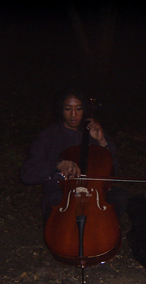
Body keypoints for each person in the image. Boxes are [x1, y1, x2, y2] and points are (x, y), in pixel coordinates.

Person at [20, 88, 126, 223]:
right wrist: (56, 165)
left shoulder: (91, 134)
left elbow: (113, 170)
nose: (73, 114)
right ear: (61, 110)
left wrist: (101, 141)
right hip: (61, 196)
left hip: (94, 195)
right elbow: (27, 174)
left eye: (79, 109)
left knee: (119, 197)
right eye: (68, 109)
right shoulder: (47, 136)